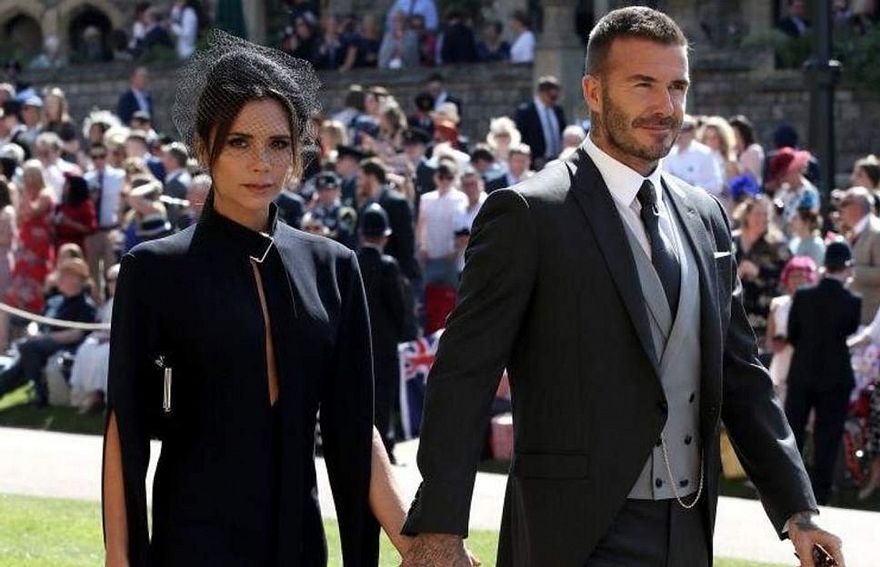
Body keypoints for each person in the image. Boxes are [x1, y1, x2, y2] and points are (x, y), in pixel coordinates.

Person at [400, 8, 841, 567]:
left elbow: (740, 374)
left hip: (687, 529)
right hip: (571, 536)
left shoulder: (705, 216)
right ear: (593, 92)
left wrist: (797, 509)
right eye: (643, 84)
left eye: (677, 87)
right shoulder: (528, 213)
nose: (666, 106)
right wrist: (440, 528)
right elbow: (465, 375)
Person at [102, 31, 412, 566]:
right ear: (205, 148)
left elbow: (354, 427)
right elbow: (123, 428)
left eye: (278, 144)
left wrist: (415, 543)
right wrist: (119, 558)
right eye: (239, 143)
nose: (262, 163)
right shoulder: (154, 270)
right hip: (192, 544)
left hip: (297, 544)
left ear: (297, 152)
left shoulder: (333, 267)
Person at [786, 241, 861, 505]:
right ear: (847, 267)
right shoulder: (852, 301)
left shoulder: (803, 296)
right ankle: (821, 494)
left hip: (803, 372)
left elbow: (793, 334)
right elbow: (849, 331)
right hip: (835, 375)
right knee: (827, 435)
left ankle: (790, 490)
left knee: (793, 430)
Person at [0, 257, 96, 407]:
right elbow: (37, 322)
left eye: (65, 275)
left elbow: (76, 334)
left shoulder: (85, 305)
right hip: (38, 345)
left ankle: (40, 392)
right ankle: (37, 391)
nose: (59, 278)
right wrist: (33, 332)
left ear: (76, 279)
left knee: (27, 349)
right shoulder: (54, 301)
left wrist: (45, 338)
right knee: (20, 362)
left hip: (64, 347)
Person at [358, 204, 406, 460]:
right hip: (384, 342)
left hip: (358, 340)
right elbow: (398, 307)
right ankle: (383, 445)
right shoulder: (387, 265)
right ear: (384, 237)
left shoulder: (352, 260)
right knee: (384, 394)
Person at [732, 195, 792, 353]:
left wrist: (759, 272)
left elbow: (787, 275)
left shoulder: (777, 245)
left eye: (766, 214)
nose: (763, 219)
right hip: (734, 315)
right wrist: (736, 274)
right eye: (758, 213)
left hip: (766, 318)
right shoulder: (731, 241)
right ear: (747, 215)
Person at [5, 159, 54, 314]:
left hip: (40, 245)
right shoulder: (27, 194)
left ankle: (36, 314)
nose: (26, 179)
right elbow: (20, 218)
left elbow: (33, 211)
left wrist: (25, 192)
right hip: (25, 243)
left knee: (37, 279)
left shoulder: (45, 194)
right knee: (19, 280)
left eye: (29, 175)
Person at [70, 262, 119, 414]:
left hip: (119, 344)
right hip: (104, 339)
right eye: (109, 280)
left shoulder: (132, 302)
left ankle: (108, 400)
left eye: (115, 280)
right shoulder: (109, 303)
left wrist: (110, 337)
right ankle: (91, 395)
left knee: (105, 355)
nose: (111, 284)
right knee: (86, 348)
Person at [766, 256, 817, 402]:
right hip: (781, 363)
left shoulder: (815, 306)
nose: (797, 280)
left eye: (801, 276)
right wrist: (776, 344)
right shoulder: (777, 304)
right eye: (793, 276)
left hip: (805, 364)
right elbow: (769, 339)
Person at [84, 142, 125, 304]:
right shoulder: (87, 178)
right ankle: (98, 306)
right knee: (93, 274)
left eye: (101, 156)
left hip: (111, 230)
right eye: (95, 157)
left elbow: (123, 201)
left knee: (111, 271)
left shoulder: (118, 176)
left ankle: (112, 305)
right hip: (92, 231)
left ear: (107, 156)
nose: (98, 160)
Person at [839, 185, 880, 324]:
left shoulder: (877, 233)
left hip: (872, 319)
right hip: (854, 316)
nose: (840, 209)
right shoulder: (854, 232)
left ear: (857, 207)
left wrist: (850, 271)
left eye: (844, 204)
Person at [662, 114, 723, 196]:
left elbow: (716, 185)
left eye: (684, 130)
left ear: (693, 132)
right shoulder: (668, 154)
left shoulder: (705, 154)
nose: (679, 134)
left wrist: (693, 190)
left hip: (697, 200)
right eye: (677, 129)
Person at [514, 76, 566, 170]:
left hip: (557, 161)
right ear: (541, 93)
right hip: (535, 163)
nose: (554, 99)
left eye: (555, 97)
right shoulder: (526, 112)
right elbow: (521, 137)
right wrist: (533, 158)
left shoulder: (558, 110)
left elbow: (562, 133)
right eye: (551, 96)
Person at [53, 175, 97, 254]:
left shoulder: (85, 205)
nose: (64, 186)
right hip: (60, 244)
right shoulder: (62, 204)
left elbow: (90, 229)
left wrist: (69, 223)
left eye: (67, 184)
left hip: (76, 244)